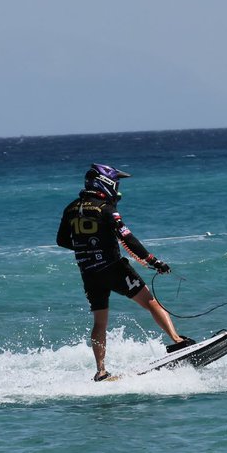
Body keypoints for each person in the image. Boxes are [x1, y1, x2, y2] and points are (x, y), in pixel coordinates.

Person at [56, 163, 190, 381]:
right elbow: (127, 238)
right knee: (151, 303)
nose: (118, 188)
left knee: (100, 322)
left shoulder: (70, 208)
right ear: (105, 183)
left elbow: (62, 240)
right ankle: (178, 341)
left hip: (89, 273)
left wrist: (88, 247)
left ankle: (100, 370)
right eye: (116, 182)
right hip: (113, 268)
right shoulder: (106, 209)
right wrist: (153, 261)